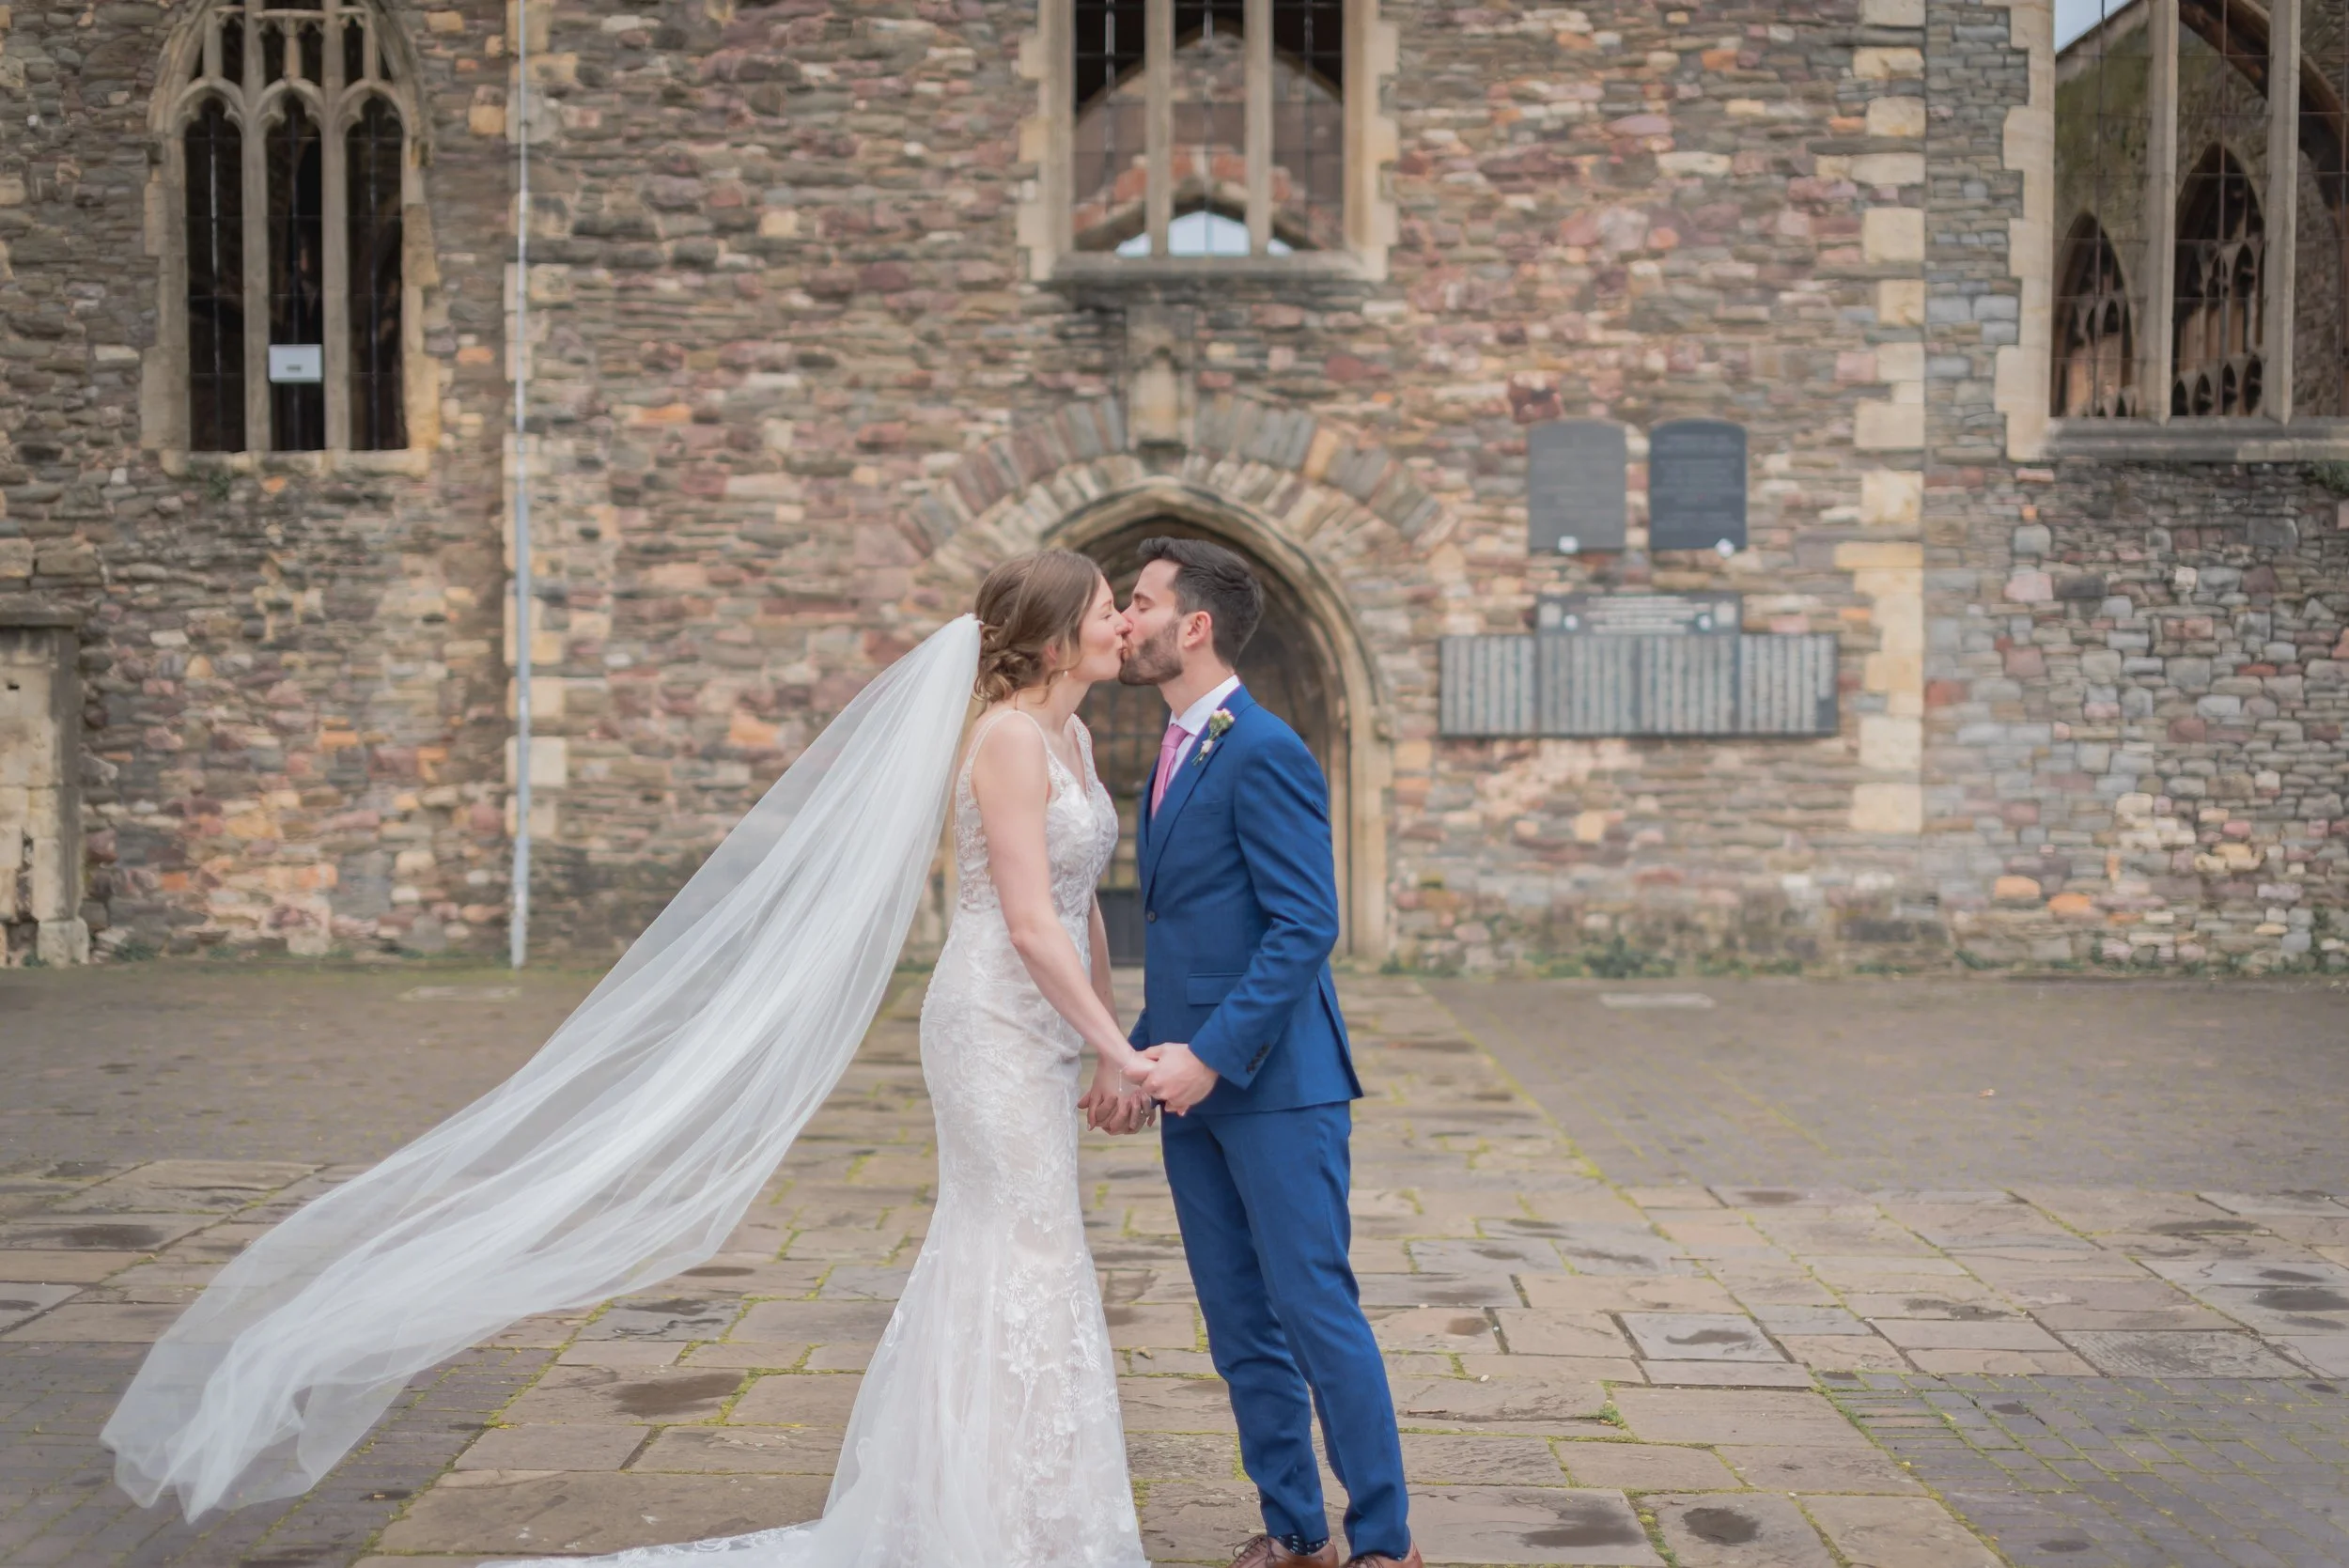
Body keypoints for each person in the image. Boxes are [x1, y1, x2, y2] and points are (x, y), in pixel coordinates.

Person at [104, 551, 1163, 1567]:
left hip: (1043, 1030)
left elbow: (1081, 915)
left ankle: (1022, 1511)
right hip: (987, 1018)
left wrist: (1105, 1045)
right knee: (1016, 1251)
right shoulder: (1010, 743)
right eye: (1110, 607)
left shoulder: (1068, 745)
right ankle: (993, 1525)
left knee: (1029, 1249)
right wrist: (1115, 1046)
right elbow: (1027, 923)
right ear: (1059, 632)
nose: (1125, 624)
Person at [1120, 537, 1420, 1568]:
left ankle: (1384, 1543)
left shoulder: (1265, 748)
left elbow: (1304, 924)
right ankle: (1295, 1531)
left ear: (1191, 626)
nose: (1124, 619)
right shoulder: (1166, 750)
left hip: (1278, 1083)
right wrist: (1135, 1055)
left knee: (1312, 1309)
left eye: (1139, 602)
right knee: (1238, 1322)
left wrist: (1209, 1054)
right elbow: (1193, 933)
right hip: (1189, 1089)